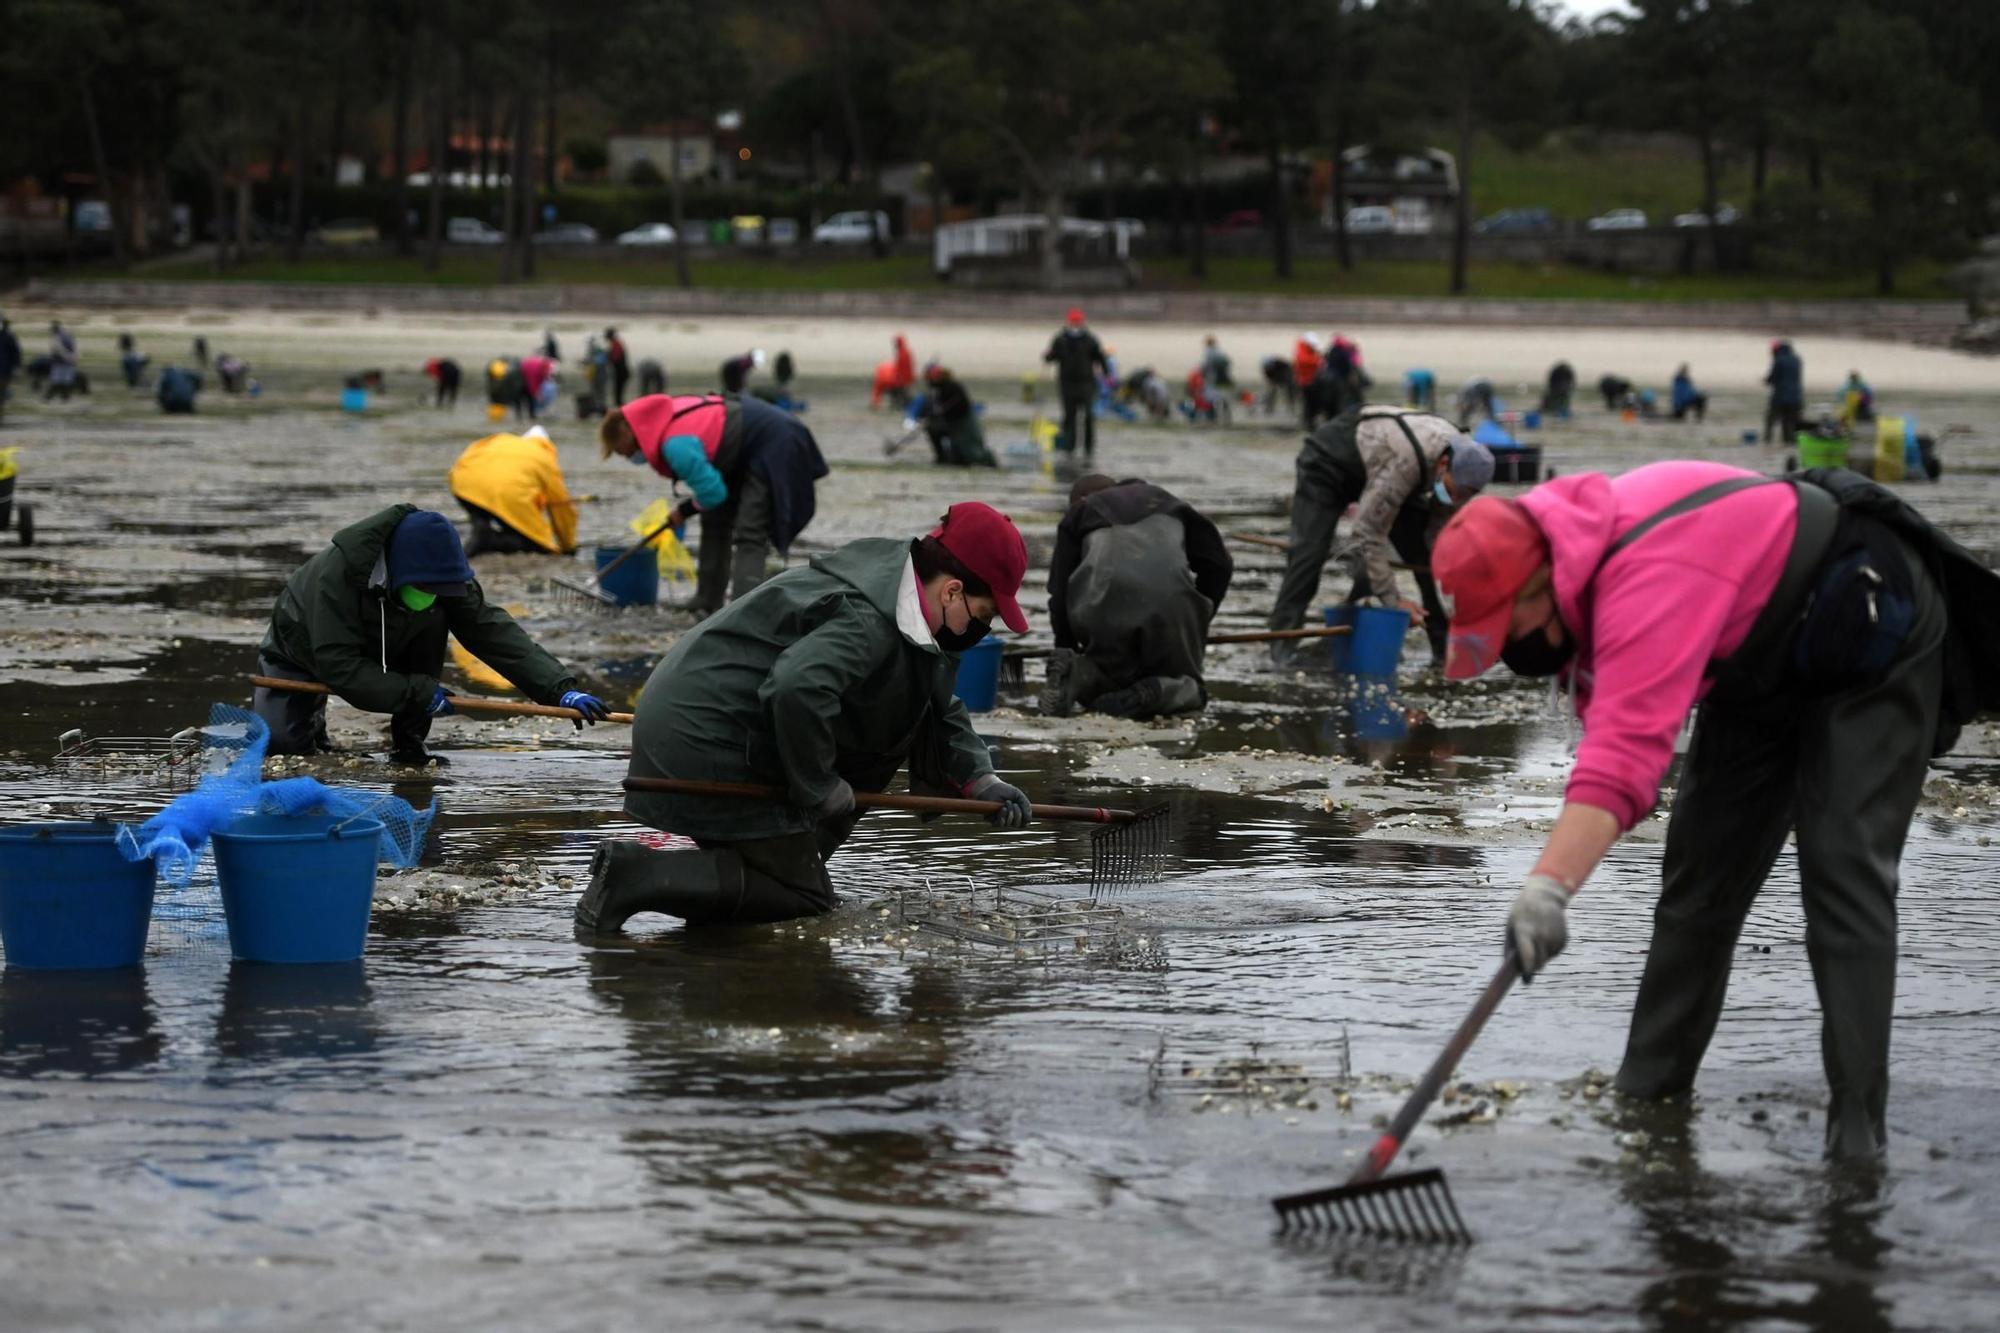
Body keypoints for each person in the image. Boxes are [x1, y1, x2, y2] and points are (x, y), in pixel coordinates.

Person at [1432, 459, 2000, 1160]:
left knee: (1842, 875)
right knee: (1698, 885)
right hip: (1758, 655)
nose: (1502, 650)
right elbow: (1614, 725)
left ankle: (1857, 1143)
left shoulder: (1645, 577)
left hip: (1871, 616)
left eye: (1502, 626)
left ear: (1540, 583)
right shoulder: (1568, 553)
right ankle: (1646, 1100)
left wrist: (1548, 886)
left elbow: (1624, 759)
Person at [576, 503, 1037, 933]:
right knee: (803, 895)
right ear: (953, 589)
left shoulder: (903, 588)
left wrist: (980, 779)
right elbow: (796, 687)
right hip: (706, 731)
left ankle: (707, 926)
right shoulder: (867, 620)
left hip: (713, 718)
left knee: (778, 875)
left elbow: (931, 700)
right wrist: (818, 785)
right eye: (985, 613)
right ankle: (635, 874)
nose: (984, 628)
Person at [252, 505, 606, 766]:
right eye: (426, 588)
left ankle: (408, 744)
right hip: (302, 647)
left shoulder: (444, 576)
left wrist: (559, 689)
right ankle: (312, 726)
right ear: (399, 570)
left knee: (432, 619)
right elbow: (338, 666)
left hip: (393, 628)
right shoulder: (338, 578)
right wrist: (419, 692)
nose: (434, 594)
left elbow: (492, 631)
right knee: (285, 749)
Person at [1267, 405, 1495, 659]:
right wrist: (1394, 601)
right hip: (1330, 462)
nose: (1457, 499)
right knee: (1309, 554)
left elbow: (1437, 532)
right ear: (1443, 465)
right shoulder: (1406, 461)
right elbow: (1367, 533)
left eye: (1467, 496)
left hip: (1383, 467)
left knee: (1424, 559)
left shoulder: (1459, 463)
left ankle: (1444, 652)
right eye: (1456, 491)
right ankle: (1280, 647)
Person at [598, 390, 829, 615]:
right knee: (714, 519)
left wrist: (684, 510)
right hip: (740, 450)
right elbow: (712, 495)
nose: (628, 458)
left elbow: (713, 493)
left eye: (622, 452)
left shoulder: (675, 445)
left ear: (631, 433)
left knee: (750, 531)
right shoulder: (660, 422)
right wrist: (688, 509)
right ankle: (707, 600)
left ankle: (743, 611)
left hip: (775, 442)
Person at [1042, 474, 1233, 719]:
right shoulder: (1171, 503)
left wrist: (1066, 648)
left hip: (1103, 613)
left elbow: (1059, 594)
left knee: (1108, 672)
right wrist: (1198, 619)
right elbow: (1220, 566)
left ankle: (1077, 675)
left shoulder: (1081, 511)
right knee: (1192, 689)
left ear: (1081, 499)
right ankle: (1161, 691)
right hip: (1172, 613)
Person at [448, 424, 578, 555]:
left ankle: (480, 528)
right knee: (536, 542)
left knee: (484, 511)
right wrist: (568, 546)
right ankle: (491, 540)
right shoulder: (545, 459)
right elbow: (562, 507)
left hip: (462, 482)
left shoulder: (503, 440)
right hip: (505, 493)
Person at [1044, 309, 1108, 462]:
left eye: (1078, 321)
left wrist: (1106, 374)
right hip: (1067, 383)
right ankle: (1069, 447)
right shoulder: (1060, 339)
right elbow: (1052, 357)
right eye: (1074, 321)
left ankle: (1088, 447)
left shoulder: (1090, 339)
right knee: (1069, 416)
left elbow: (1099, 357)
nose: (1076, 323)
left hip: (1086, 383)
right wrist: (1048, 356)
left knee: (1088, 416)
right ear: (1069, 321)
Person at [919, 365, 993, 467]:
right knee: (933, 430)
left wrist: (942, 412)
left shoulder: (953, 387)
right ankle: (942, 457)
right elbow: (930, 408)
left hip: (964, 424)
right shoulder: (936, 390)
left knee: (972, 452)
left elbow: (961, 405)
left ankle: (987, 461)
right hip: (951, 424)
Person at [1764, 339, 1804, 444]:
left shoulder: (1779, 360)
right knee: (1790, 422)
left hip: (1780, 397)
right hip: (1796, 397)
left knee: (1770, 420)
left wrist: (1766, 380)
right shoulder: (1797, 360)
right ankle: (1790, 443)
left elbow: (1773, 378)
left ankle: (1767, 441)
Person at [872, 334, 917, 409]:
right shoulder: (905, 352)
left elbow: (900, 370)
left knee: (880, 382)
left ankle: (875, 402)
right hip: (905, 379)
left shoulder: (903, 354)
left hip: (901, 380)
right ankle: (877, 401)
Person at [45, 322, 79, 402]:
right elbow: (75, 347)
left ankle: (48, 397)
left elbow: (59, 349)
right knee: (67, 380)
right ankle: (65, 398)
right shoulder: (69, 335)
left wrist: (67, 357)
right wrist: (74, 357)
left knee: (56, 380)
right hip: (69, 361)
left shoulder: (56, 337)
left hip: (60, 361)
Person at [519, 354, 558, 418]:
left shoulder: (545, 366)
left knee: (547, 389)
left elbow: (545, 377)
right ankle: (532, 412)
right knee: (530, 395)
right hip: (525, 375)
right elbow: (532, 384)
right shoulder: (536, 370)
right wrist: (537, 394)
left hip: (531, 373)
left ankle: (534, 410)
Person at [0, 318, 21, 420]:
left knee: (2, 393)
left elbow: (16, 354)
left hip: (4, 371)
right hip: (5, 371)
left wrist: (16, 368)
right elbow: (16, 353)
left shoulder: (9, 337)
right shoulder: (10, 337)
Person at [605, 328, 630, 406]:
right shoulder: (617, 343)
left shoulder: (616, 344)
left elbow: (615, 358)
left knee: (618, 390)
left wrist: (607, 357)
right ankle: (619, 404)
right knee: (618, 390)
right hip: (621, 371)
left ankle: (619, 406)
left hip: (621, 371)